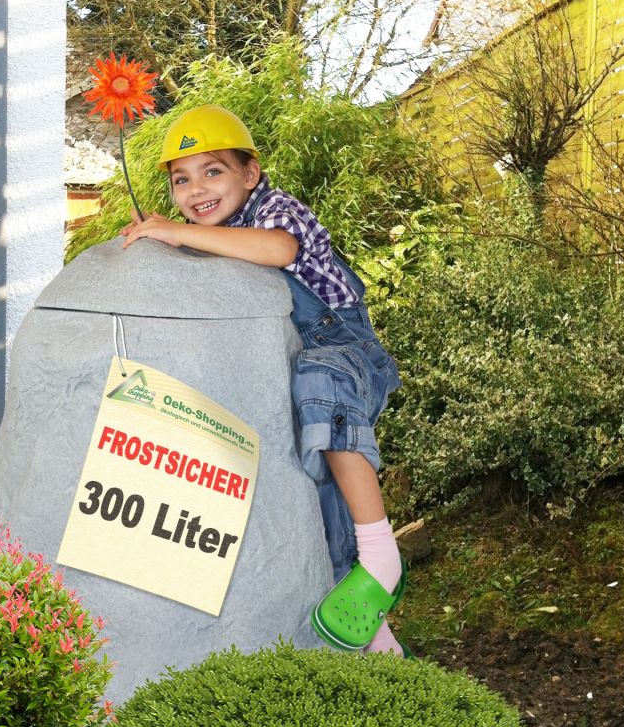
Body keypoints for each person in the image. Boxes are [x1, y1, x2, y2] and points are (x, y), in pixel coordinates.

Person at [121, 104, 410, 656]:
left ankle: (382, 552)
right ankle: (381, 643)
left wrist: (180, 234)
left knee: (318, 380)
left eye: (213, 171)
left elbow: (276, 250)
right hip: (303, 375)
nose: (196, 190)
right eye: (181, 180)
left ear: (250, 175)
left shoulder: (275, 209)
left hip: (342, 350)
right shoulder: (216, 234)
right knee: (323, 507)